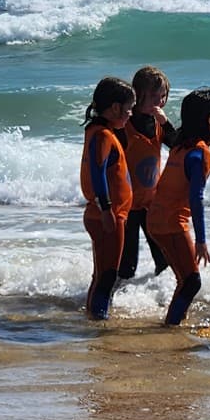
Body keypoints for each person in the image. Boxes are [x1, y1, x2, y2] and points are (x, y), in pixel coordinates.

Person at [147, 88, 210, 326]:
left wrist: (164, 121)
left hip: (157, 219)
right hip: (170, 223)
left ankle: (174, 319)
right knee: (191, 281)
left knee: (185, 279)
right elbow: (196, 199)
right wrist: (201, 241)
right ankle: (170, 327)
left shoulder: (182, 145)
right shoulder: (198, 154)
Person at [80, 77, 135, 319]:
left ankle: (95, 315)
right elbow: (97, 170)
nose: (130, 114)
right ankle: (97, 321)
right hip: (107, 215)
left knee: (103, 273)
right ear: (115, 108)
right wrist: (106, 209)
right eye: (128, 108)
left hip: (108, 213)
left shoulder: (101, 131)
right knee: (107, 275)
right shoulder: (102, 134)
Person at [118, 66, 178, 280]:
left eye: (163, 96)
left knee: (164, 258)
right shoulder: (125, 123)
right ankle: (120, 304)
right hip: (127, 205)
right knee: (127, 264)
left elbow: (177, 145)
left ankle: (159, 298)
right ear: (138, 94)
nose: (160, 101)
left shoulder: (157, 122)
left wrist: (165, 122)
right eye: (154, 95)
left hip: (152, 203)